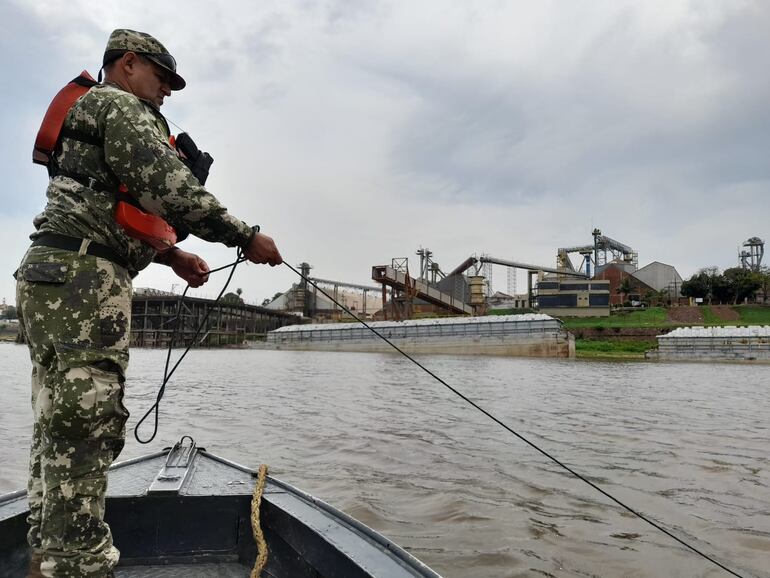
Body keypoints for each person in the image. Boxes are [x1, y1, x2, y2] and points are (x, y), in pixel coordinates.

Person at [16, 29, 282, 577]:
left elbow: (103, 208)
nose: (166, 92)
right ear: (129, 64)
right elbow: (173, 190)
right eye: (162, 79)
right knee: (87, 422)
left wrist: (172, 257)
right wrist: (245, 236)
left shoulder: (90, 114)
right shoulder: (119, 104)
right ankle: (79, 565)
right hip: (83, 281)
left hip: (54, 271)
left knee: (57, 422)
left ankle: (48, 550)